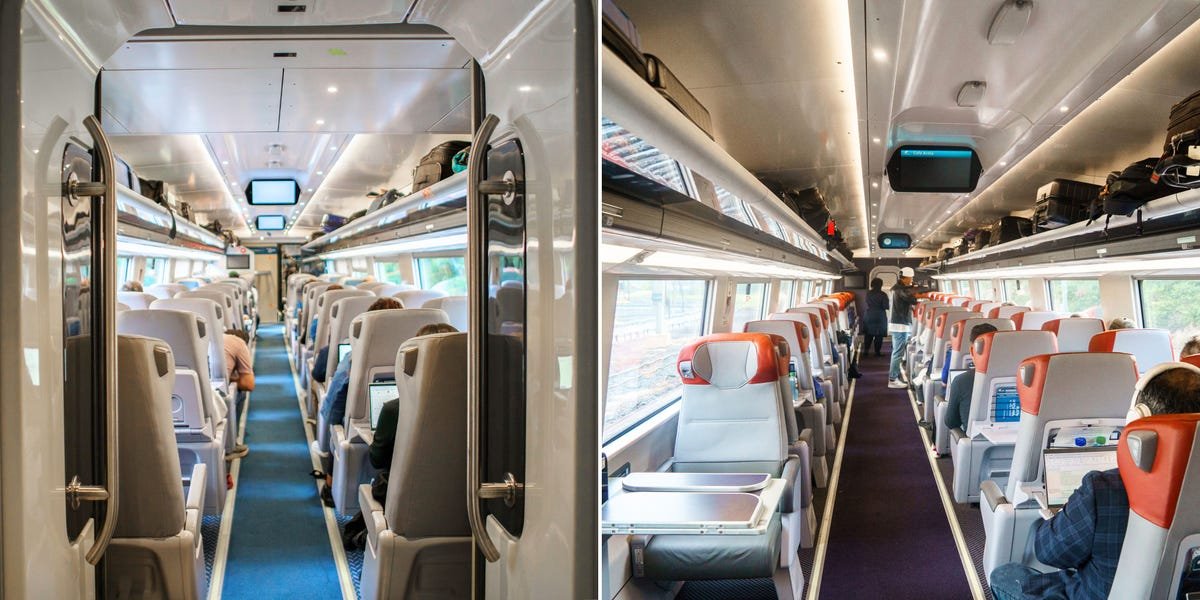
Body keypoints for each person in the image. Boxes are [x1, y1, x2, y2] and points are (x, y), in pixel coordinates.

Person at [989, 363, 1200, 600]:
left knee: (1005, 575)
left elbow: (1048, 552)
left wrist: (1069, 514)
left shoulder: (1105, 489)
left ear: (1136, 421)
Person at [339, 321, 459, 548]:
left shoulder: (395, 409)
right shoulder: (484, 410)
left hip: (411, 508)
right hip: (463, 511)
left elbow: (377, 460)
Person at [317, 296, 403, 504]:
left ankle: (330, 486)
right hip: (402, 433)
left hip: (362, 436)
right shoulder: (414, 361)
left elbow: (333, 409)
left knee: (339, 428)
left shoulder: (353, 358)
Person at [941, 323, 998, 433]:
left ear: (972, 351)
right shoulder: (1019, 379)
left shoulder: (961, 381)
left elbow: (951, 422)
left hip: (970, 441)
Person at [888, 267, 932, 389]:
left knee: (897, 351)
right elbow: (912, 300)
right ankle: (893, 379)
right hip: (900, 325)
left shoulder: (897, 288)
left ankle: (895, 376)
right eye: (911, 278)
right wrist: (923, 296)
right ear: (905, 278)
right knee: (898, 353)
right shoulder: (899, 290)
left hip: (899, 323)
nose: (912, 280)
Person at [863, 277, 890, 357]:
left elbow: (867, 302)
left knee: (868, 334)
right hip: (880, 315)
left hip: (869, 315)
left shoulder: (868, 293)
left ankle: (866, 352)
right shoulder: (883, 294)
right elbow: (886, 306)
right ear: (881, 285)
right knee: (879, 335)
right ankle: (877, 352)